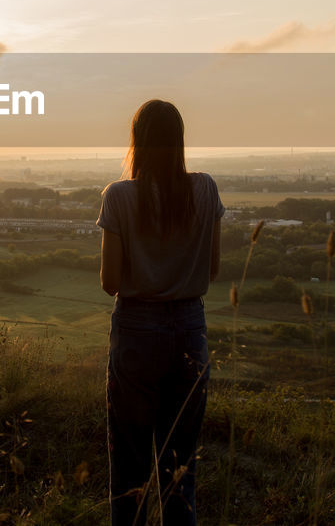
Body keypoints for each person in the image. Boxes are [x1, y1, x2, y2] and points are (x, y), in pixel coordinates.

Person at [96, 99, 225, 526]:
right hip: (191, 328)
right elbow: (212, 267)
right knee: (179, 470)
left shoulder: (118, 196)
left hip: (136, 330)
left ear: (137, 142)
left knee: (130, 469)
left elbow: (110, 281)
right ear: (180, 141)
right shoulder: (206, 189)